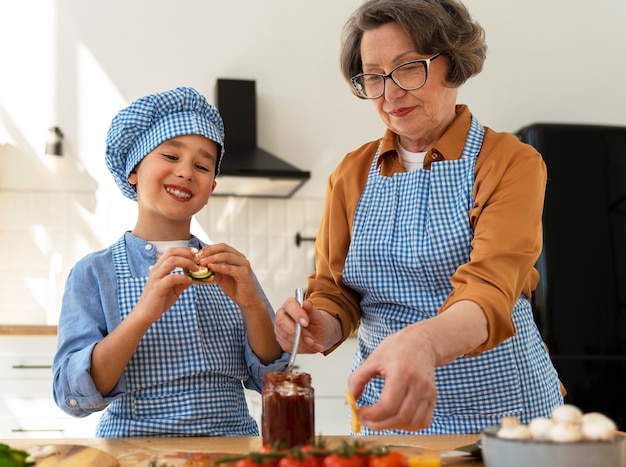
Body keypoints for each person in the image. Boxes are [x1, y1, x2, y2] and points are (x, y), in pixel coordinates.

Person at [274, 0, 564, 435]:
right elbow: (336, 291)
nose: (390, 94)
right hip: (388, 411)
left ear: (454, 63)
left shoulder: (509, 162)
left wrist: (421, 342)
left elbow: (489, 290)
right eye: (373, 76)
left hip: (503, 413)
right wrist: (320, 323)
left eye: (408, 68)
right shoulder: (351, 174)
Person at [52, 86, 289, 437]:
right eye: (171, 155)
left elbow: (272, 379)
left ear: (210, 189)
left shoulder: (229, 270)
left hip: (233, 447)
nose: (186, 172)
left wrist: (252, 303)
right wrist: (144, 313)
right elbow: (72, 393)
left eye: (202, 164)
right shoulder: (93, 274)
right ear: (133, 170)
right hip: (135, 450)